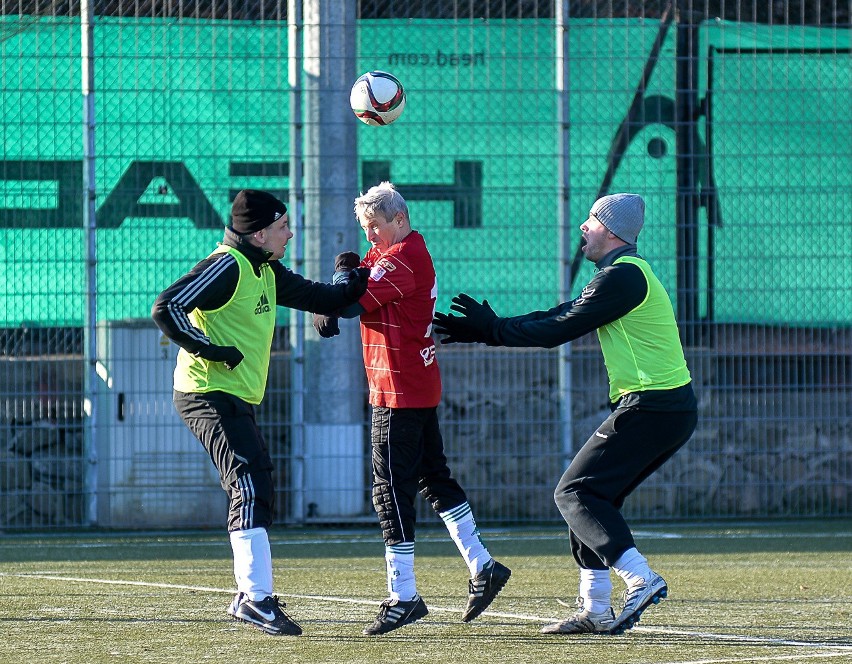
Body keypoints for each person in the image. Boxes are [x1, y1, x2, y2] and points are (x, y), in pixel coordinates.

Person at [433, 193, 698, 635]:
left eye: (591, 221)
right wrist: (489, 330)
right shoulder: (620, 276)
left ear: (611, 231)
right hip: (662, 408)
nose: (582, 227)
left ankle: (641, 579)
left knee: (574, 493)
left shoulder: (622, 277)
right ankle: (596, 608)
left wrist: (492, 330)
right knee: (592, 498)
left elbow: (559, 329)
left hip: (654, 406)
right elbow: (561, 314)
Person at [151, 189, 369, 636]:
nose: (290, 233)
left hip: (233, 395)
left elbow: (323, 299)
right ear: (261, 232)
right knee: (249, 483)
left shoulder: (265, 268)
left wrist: (350, 276)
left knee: (257, 481)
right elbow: (166, 306)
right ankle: (256, 599)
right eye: (284, 226)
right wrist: (209, 348)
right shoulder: (227, 265)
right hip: (205, 392)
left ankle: (251, 597)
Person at [312, 181, 511, 635]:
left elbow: (355, 297)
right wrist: (344, 277)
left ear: (398, 220)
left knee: (390, 489)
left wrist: (330, 297)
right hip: (413, 383)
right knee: (432, 476)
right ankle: (482, 565)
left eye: (374, 226)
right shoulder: (399, 251)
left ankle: (403, 595)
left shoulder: (400, 258)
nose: (369, 236)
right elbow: (361, 273)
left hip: (396, 388)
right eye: (365, 228)